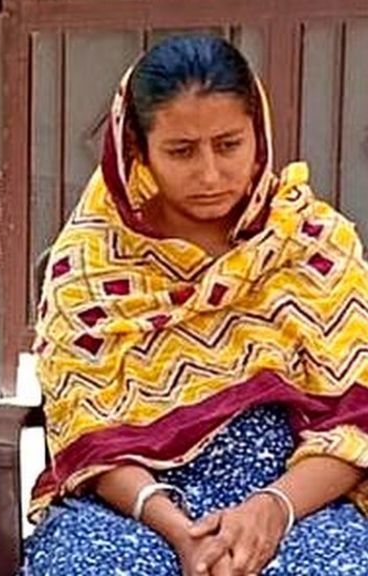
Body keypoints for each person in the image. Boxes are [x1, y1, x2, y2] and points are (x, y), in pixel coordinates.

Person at [22, 35, 368, 576]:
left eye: (229, 144)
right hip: (135, 506)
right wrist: (179, 530)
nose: (209, 174)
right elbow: (86, 427)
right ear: (138, 150)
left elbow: (356, 416)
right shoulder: (91, 260)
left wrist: (272, 509)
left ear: (259, 134)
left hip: (298, 497)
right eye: (181, 151)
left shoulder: (312, 243)